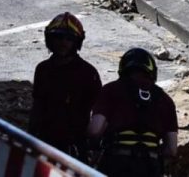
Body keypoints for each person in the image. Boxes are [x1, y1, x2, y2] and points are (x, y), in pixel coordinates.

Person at [89, 48, 178, 177]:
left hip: (116, 163)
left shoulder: (111, 90)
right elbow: (171, 149)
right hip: (150, 166)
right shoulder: (165, 100)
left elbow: (95, 130)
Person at [30, 12, 100, 159]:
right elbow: (37, 106)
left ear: (76, 42)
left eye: (69, 39)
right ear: (50, 40)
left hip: (75, 146)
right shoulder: (43, 69)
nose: (63, 43)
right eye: (58, 37)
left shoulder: (88, 73)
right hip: (45, 143)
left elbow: (97, 113)